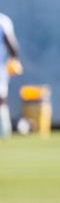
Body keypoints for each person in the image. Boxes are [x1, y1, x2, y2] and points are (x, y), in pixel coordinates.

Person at [0, 10, 20, 139]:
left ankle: (3, 131)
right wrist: (14, 59)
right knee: (1, 99)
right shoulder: (3, 20)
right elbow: (12, 46)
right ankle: (3, 131)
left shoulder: (3, 20)